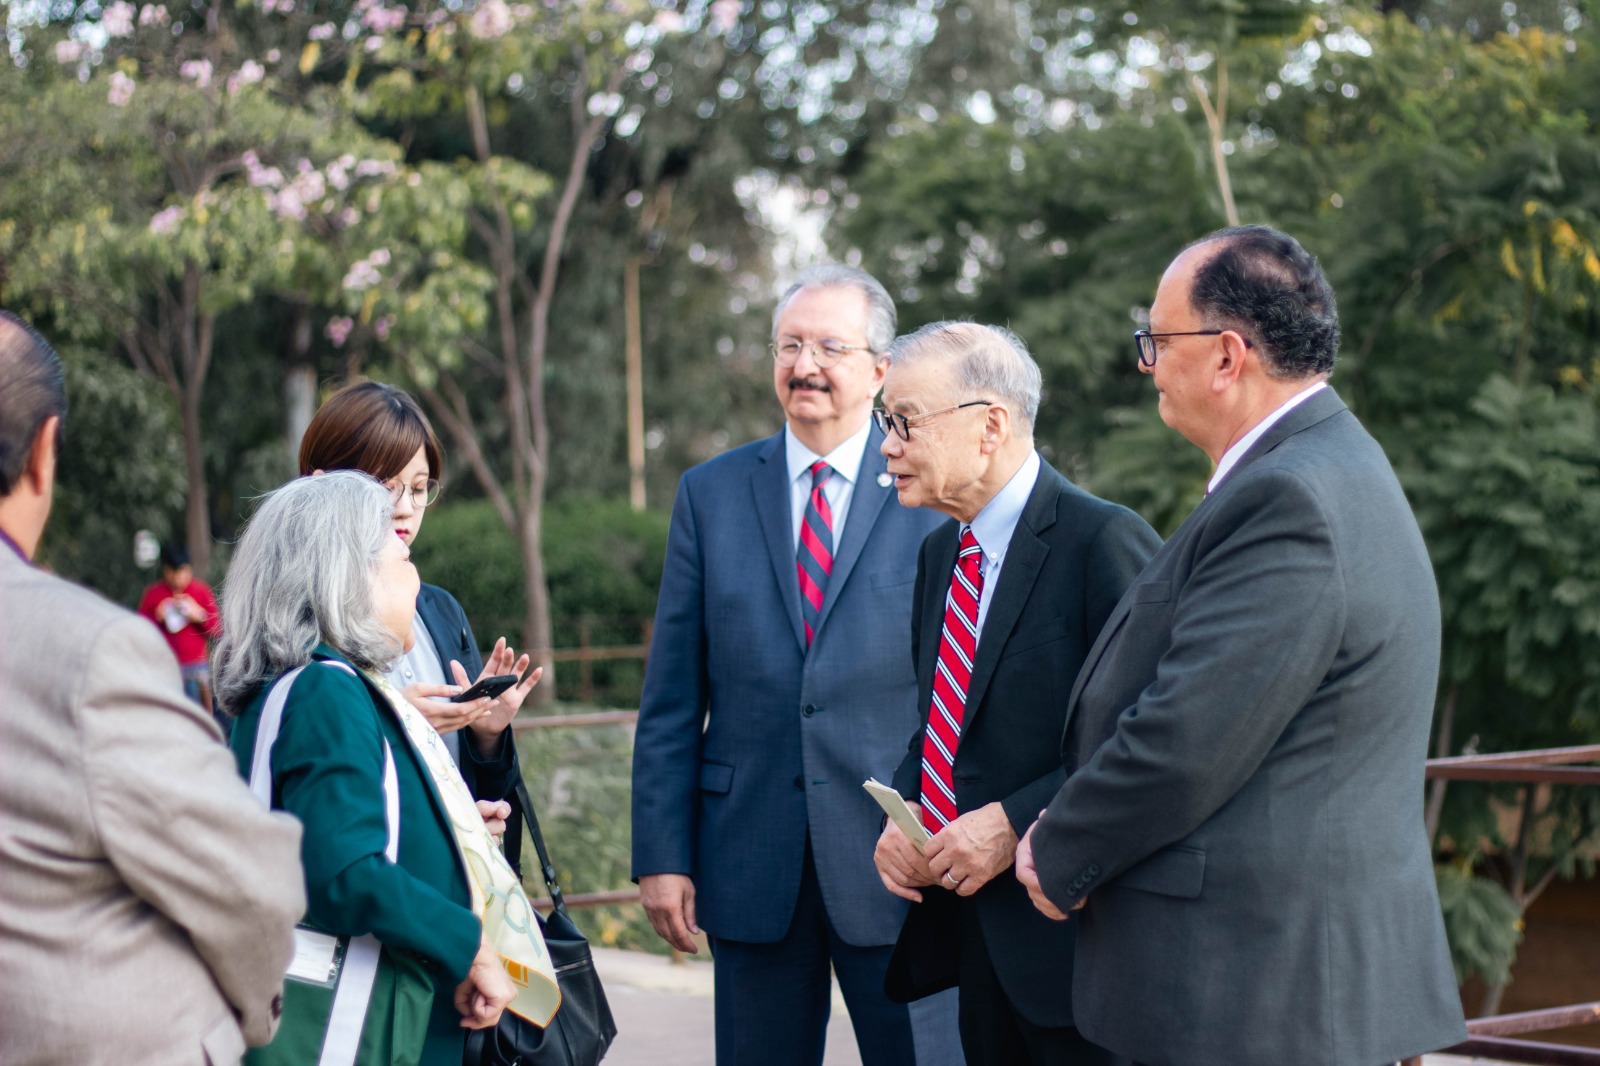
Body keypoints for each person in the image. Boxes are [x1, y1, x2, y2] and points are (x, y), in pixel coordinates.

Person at [1015, 226, 1468, 1066]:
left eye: (1157, 338)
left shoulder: (1288, 496)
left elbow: (1188, 735)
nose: (1147, 362)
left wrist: (1057, 848)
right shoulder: (1322, 468)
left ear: (1227, 356)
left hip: (1253, 996)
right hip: (1274, 985)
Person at [631, 265, 959, 1066]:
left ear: (881, 369)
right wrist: (663, 855)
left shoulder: (927, 492)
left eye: (829, 346)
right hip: (751, 861)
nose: (804, 364)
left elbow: (960, 688)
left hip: (898, 862)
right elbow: (672, 696)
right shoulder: (709, 493)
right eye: (789, 345)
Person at [0, 310, 305, 1065]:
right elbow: (250, 884)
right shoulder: (91, 648)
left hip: (190, 670)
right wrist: (253, 1013)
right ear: (45, 452)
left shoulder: (186, 598)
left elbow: (207, 621)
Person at [870, 323, 1158, 1066]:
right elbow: (939, 727)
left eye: (902, 421)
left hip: (1076, 951)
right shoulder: (942, 554)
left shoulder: (1105, 543)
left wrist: (1016, 821)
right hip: (975, 947)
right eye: (883, 423)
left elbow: (1149, 744)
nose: (886, 446)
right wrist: (909, 814)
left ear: (990, 424)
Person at [215, 471, 534, 1065]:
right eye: (402, 554)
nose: (415, 575)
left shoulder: (292, 685)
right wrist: (471, 947)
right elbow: (347, 870)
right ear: (350, 573)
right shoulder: (327, 691)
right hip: (354, 1031)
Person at [298, 381, 538, 840]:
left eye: (419, 487)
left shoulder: (440, 610)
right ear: (323, 485)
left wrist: (485, 736)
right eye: (385, 487)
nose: (405, 509)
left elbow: (479, 795)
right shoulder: (288, 624)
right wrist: (390, 725)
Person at [137, 541, 221, 715]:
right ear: (166, 570)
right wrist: (157, 617)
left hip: (197, 670)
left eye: (183, 572)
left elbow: (218, 630)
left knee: (199, 718)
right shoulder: (154, 594)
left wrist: (199, 614)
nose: (178, 579)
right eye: (173, 573)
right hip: (164, 668)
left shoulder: (201, 591)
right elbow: (139, 631)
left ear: (189, 569)